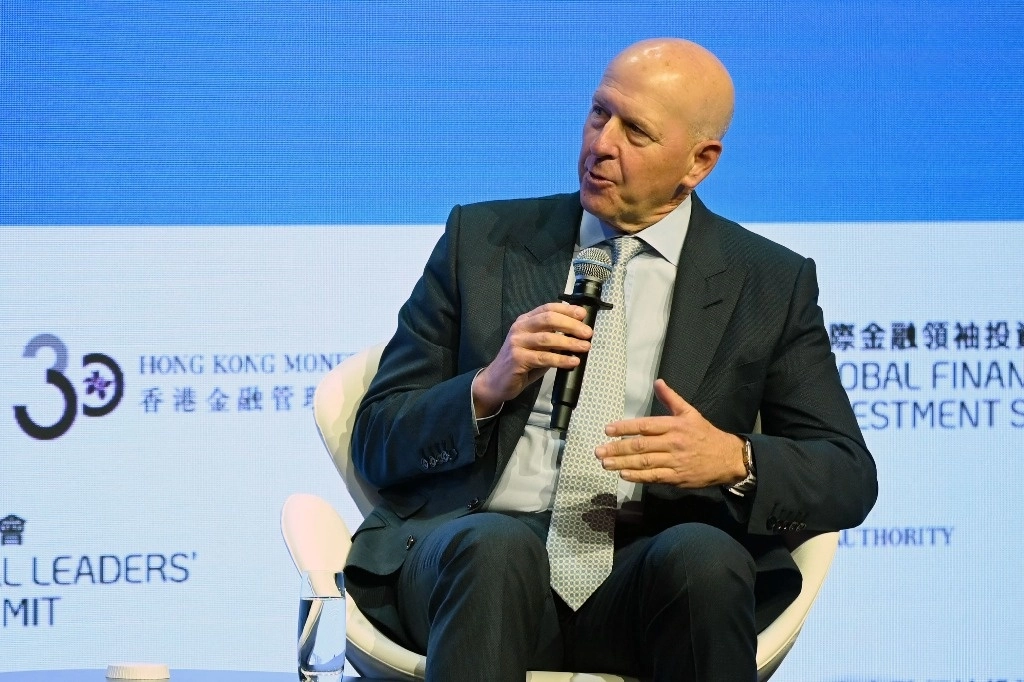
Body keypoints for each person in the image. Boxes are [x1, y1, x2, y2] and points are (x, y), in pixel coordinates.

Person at [343, 37, 877, 681]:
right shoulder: (482, 243)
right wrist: (486, 387)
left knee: (702, 558)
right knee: (497, 548)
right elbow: (376, 435)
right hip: (473, 565)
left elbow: (847, 475)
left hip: (647, 578)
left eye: (637, 132)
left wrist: (733, 459)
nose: (601, 144)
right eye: (600, 114)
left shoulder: (766, 282)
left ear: (698, 162)